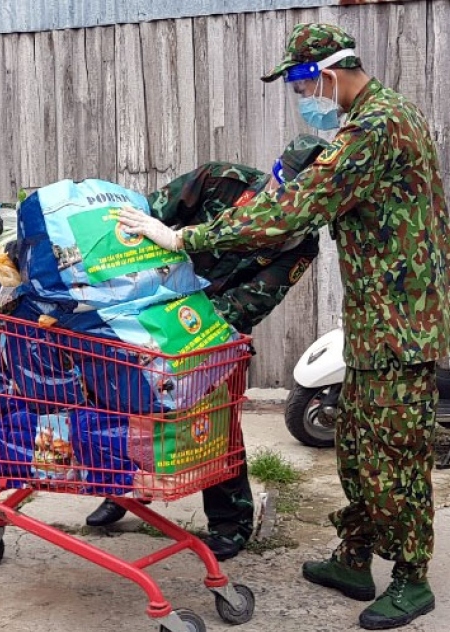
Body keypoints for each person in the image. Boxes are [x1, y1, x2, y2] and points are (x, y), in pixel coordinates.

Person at [117, 23, 450, 630]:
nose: (301, 98)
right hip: (376, 319)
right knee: (359, 447)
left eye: (302, 84)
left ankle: (413, 578)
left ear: (327, 75)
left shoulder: (378, 126)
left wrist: (184, 237)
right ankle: (355, 558)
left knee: (396, 455)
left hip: (404, 323)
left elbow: (293, 210)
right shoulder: (375, 118)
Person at [86, 135, 328, 562]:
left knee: (215, 425)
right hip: (143, 306)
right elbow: (142, 219)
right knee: (126, 409)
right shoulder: (221, 181)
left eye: (294, 197)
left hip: (210, 335)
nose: (278, 199)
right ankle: (123, 490)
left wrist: (178, 332)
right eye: (278, 185)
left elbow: (248, 303)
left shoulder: (300, 245)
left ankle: (230, 522)